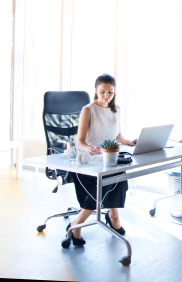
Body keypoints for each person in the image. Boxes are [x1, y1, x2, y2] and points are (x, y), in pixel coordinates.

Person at [67, 74, 137, 246]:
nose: (106, 96)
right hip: (89, 163)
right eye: (103, 92)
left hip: (108, 159)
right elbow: (80, 141)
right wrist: (88, 148)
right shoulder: (88, 110)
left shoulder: (116, 109)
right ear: (96, 91)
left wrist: (129, 141)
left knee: (120, 176)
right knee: (98, 190)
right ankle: (76, 224)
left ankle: (113, 215)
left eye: (110, 92)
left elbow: (117, 135)